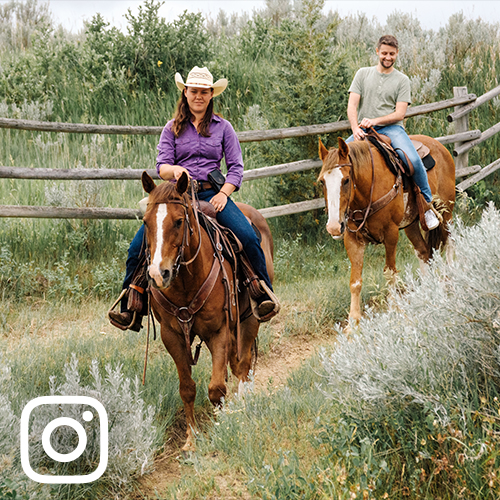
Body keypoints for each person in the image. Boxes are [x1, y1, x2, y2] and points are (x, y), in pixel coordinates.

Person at [109, 66, 277, 330]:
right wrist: (175, 170)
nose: (198, 96)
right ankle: (131, 305)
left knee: (247, 235)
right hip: (177, 196)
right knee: (137, 247)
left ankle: (261, 291)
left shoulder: (224, 128)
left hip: (212, 193)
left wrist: (224, 194)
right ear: (185, 93)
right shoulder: (171, 128)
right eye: (194, 91)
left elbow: (236, 168)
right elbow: (161, 166)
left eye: (204, 92)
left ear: (211, 95)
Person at [346, 34, 440, 230]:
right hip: (363, 130)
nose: (387, 57)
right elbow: (352, 106)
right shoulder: (362, 74)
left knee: (413, 161)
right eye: (384, 53)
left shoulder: (402, 80)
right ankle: (342, 214)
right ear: (377, 52)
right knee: (339, 162)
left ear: (397, 54)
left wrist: (375, 120)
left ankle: (427, 204)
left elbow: (400, 113)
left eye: (391, 54)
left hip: (392, 128)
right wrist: (355, 129)